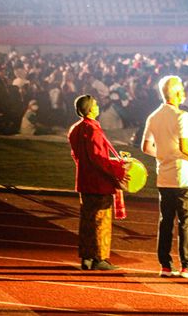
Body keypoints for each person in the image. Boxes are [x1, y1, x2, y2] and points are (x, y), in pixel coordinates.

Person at [142, 75, 188, 278]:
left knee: (166, 221)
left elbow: (145, 147)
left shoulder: (153, 116)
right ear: (175, 92)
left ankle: (165, 265)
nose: (184, 91)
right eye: (181, 88)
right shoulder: (182, 116)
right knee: (186, 223)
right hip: (183, 176)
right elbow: (185, 148)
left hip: (163, 176)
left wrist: (164, 154)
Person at [68, 94, 127, 271]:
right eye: (95, 104)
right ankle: (100, 258)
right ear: (91, 109)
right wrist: (117, 172)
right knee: (101, 221)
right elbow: (98, 158)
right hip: (99, 183)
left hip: (85, 180)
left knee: (87, 220)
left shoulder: (75, 128)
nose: (98, 106)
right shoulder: (92, 129)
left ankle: (86, 257)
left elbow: (78, 155)